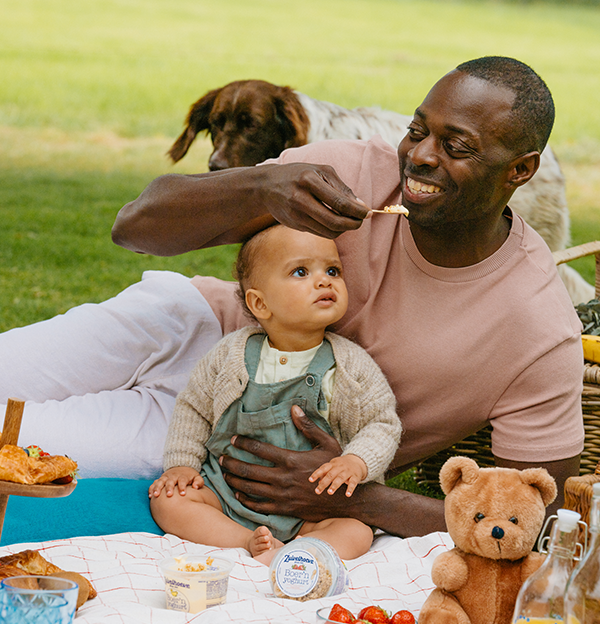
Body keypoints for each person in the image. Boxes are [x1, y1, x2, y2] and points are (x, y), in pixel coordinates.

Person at [0, 56, 584, 539]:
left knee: (18, 446)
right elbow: (135, 227)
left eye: (456, 145)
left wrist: (357, 496)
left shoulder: (534, 327)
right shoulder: (352, 172)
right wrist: (256, 186)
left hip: (220, 431)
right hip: (185, 325)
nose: (422, 156)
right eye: (417, 130)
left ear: (521, 170)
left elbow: (537, 522)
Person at [149, 224, 401, 563]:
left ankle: (296, 554)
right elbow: (194, 408)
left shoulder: (350, 365)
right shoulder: (231, 356)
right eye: (301, 271)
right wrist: (181, 465)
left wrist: (356, 462)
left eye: (332, 270)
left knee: (357, 531)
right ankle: (246, 541)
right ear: (260, 303)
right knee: (169, 501)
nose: (324, 280)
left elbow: (382, 423)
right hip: (227, 492)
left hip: (311, 508)